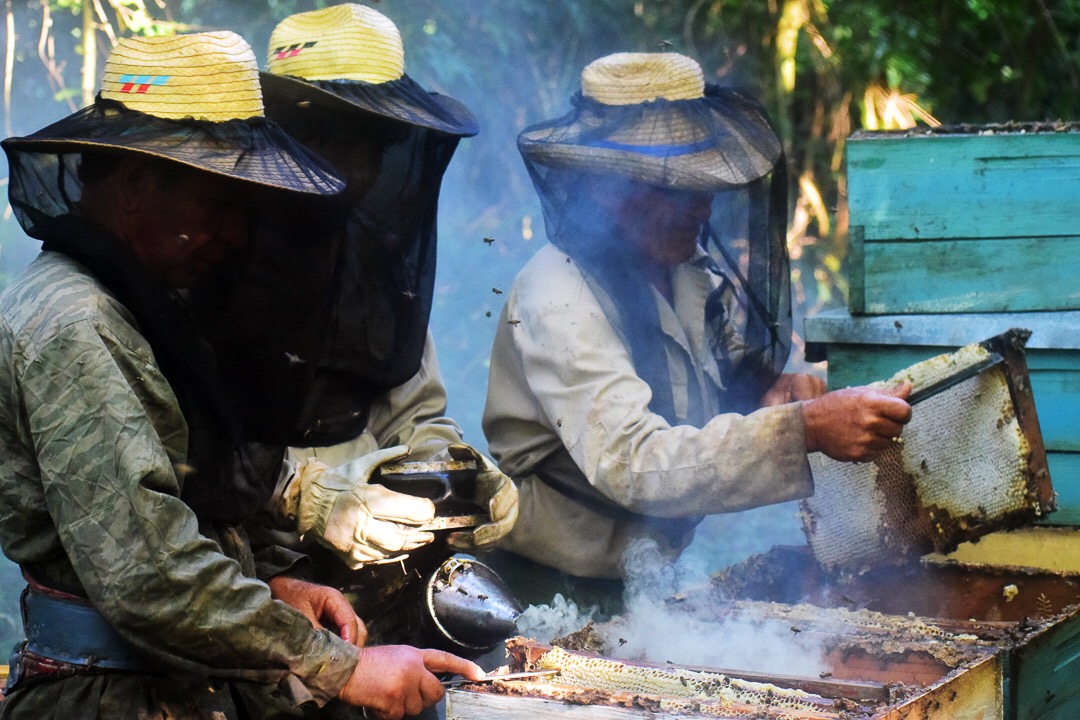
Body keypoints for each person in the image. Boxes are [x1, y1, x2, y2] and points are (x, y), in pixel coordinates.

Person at [0, 31, 480, 720]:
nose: (236, 233)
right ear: (136, 185)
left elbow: (175, 509)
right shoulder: (78, 325)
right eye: (217, 202)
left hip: (174, 684)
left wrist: (270, 586)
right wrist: (339, 667)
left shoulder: (127, 305)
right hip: (111, 697)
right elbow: (151, 578)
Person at [482, 52, 913, 593]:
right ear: (606, 188)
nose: (703, 208)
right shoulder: (556, 295)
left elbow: (718, 384)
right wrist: (805, 428)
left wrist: (778, 395)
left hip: (649, 575)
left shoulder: (685, 272)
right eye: (678, 188)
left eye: (704, 184)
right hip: (546, 587)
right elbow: (635, 463)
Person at [189, 4, 519, 652]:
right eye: (336, 138)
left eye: (373, 145)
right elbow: (175, 440)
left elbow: (411, 410)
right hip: (239, 595)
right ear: (279, 130)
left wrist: (451, 467)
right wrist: (301, 493)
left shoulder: (379, 269)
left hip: (370, 597)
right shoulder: (205, 253)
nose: (356, 167)